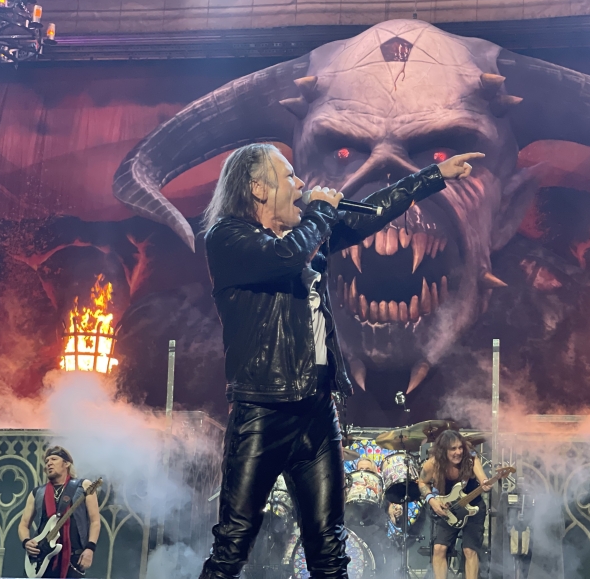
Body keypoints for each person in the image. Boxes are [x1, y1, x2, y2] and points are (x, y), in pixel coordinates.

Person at [198, 143, 484, 579]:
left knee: (330, 544)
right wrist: (320, 212)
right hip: (262, 409)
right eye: (289, 176)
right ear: (258, 188)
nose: (301, 184)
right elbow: (285, 258)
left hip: (316, 409)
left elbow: (371, 214)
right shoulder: (229, 238)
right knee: (234, 542)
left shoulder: (307, 237)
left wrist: (432, 177)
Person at [417, 430, 491, 579]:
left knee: (469, 550)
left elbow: (483, 479)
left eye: (460, 447)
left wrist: (485, 483)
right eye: (453, 449)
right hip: (448, 509)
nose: (458, 452)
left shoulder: (470, 459)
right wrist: (432, 500)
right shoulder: (433, 464)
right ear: (443, 450)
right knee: (439, 548)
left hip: (473, 508)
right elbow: (422, 482)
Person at [18, 446, 101, 578]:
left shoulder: (83, 486)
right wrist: (26, 541)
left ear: (66, 463)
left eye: (54, 459)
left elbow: (95, 521)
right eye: (47, 461)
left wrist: (90, 548)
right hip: (40, 559)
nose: (49, 463)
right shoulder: (37, 493)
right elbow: (23, 524)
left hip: (73, 559)